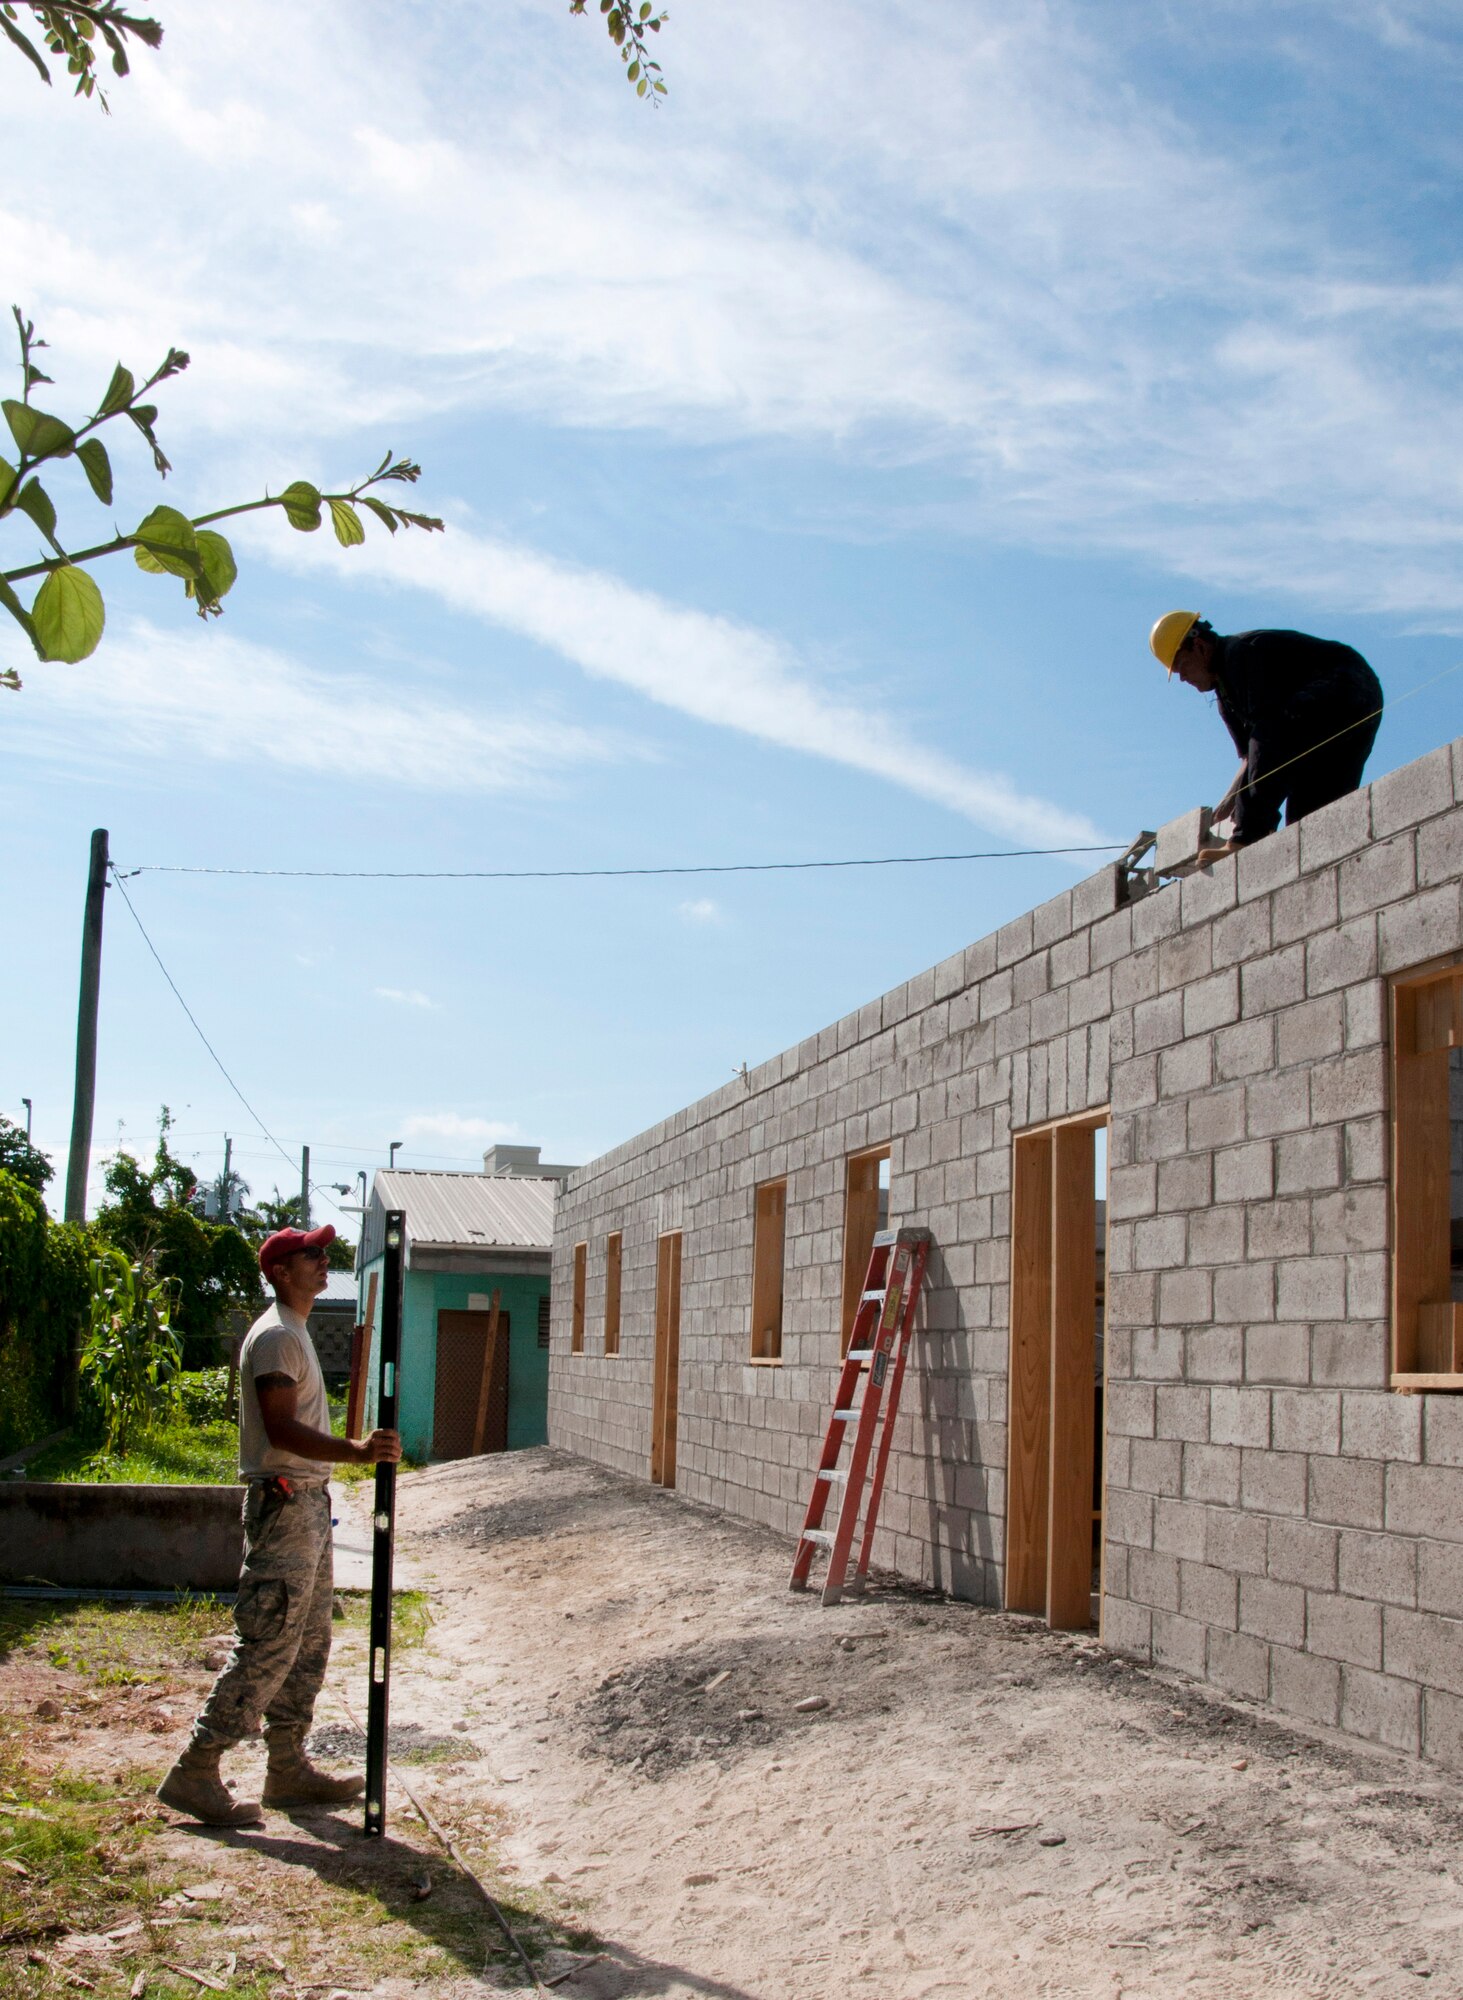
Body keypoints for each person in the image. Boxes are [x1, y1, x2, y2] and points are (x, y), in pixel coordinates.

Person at [157, 1224, 401, 1827]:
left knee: (309, 1642)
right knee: (270, 1641)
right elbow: (281, 1430)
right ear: (279, 1272)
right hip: (284, 1501)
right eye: (310, 1255)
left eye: (323, 1253)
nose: (324, 1262)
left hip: (308, 1501)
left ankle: (287, 1767)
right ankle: (197, 1767)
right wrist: (359, 1451)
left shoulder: (295, 1332)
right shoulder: (274, 1339)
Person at [1149, 612, 1383, 862]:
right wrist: (1228, 803)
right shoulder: (1225, 697)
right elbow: (1249, 760)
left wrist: (1242, 831)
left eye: (1181, 665)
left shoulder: (1241, 655)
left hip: (1346, 687)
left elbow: (1267, 741)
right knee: (1309, 823)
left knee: (1273, 735)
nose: (1183, 678)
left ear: (1199, 646)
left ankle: (1247, 840)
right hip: (1346, 707)